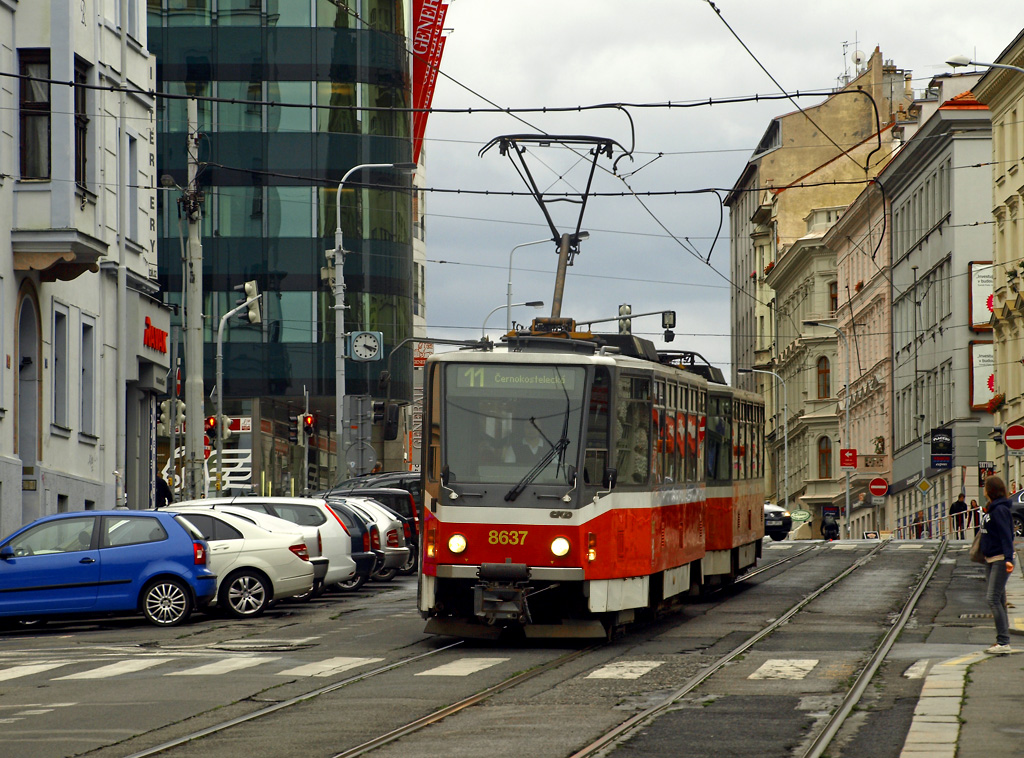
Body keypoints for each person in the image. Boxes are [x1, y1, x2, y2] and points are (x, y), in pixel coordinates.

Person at [978, 475, 1016, 654]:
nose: (984, 490)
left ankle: (1003, 642)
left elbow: (1007, 535)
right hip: (991, 558)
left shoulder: (999, 510)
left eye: (985, 487)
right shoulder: (992, 509)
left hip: (1000, 559)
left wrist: (1008, 558)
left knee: (992, 598)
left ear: (990, 490)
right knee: (999, 599)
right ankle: (1003, 640)